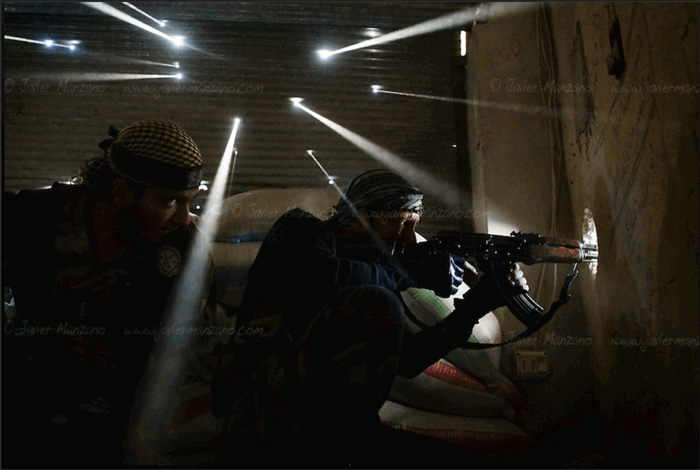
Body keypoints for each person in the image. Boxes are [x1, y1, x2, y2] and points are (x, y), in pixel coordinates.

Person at [212, 168, 529, 468]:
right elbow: (321, 277)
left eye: (413, 226)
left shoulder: (370, 279)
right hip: (261, 407)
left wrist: (476, 306)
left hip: (333, 427)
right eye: (401, 223)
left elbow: (408, 360)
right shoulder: (300, 229)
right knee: (380, 300)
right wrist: (406, 273)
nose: (409, 238)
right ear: (361, 219)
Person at [2, 120, 218, 468]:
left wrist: (143, 430)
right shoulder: (35, 217)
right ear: (120, 191)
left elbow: (178, 352)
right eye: (170, 201)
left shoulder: (184, 253)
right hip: (27, 382)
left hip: (119, 398)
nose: (184, 218)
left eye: (189, 202)